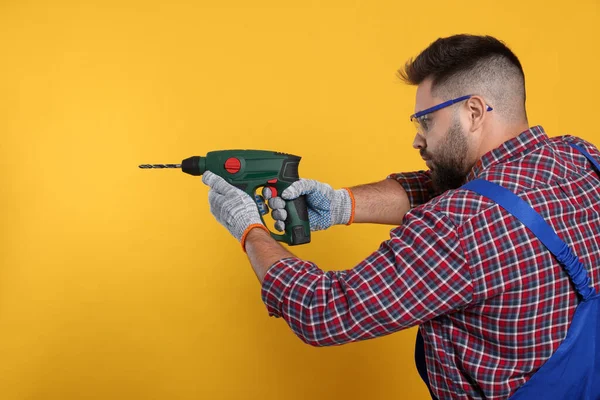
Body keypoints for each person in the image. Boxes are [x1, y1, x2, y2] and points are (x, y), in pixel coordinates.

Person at [201, 34, 600, 399]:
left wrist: (249, 228)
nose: (417, 139)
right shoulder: (581, 158)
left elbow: (324, 311)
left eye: (426, 121)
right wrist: (345, 204)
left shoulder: (459, 225)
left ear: (474, 112)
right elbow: (467, 190)